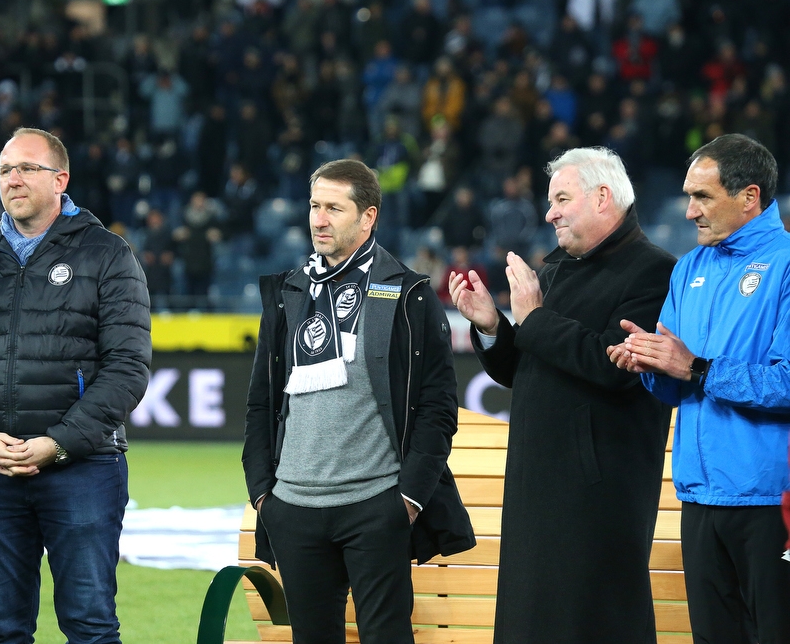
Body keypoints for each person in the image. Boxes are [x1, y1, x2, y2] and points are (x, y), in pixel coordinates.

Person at [0, 127, 152, 644]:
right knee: (1, 631)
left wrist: (59, 443)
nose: (13, 179)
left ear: (61, 178)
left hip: (84, 467)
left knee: (90, 628)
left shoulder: (108, 255)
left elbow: (128, 366)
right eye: (5, 170)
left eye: (27, 168)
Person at [449, 147, 676, 643]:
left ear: (601, 197)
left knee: (593, 620)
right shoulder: (555, 269)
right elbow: (524, 369)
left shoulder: (655, 272)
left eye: (561, 199)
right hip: (538, 486)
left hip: (599, 496)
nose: (549, 213)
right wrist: (492, 326)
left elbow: (618, 366)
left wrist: (534, 318)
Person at [243, 159, 475, 643]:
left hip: (376, 508)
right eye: (313, 205)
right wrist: (265, 495)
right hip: (293, 508)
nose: (318, 219)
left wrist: (407, 500)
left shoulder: (408, 292)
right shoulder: (288, 291)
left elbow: (437, 407)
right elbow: (260, 403)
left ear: (367, 218)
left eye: (333, 207)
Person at [608, 133, 790, 643]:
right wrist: (648, 365)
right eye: (688, 195)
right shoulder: (689, 268)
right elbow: (676, 383)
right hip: (699, 494)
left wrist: (698, 369)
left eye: (703, 196)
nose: (688, 212)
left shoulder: (786, 265)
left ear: (750, 197)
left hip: (770, 499)